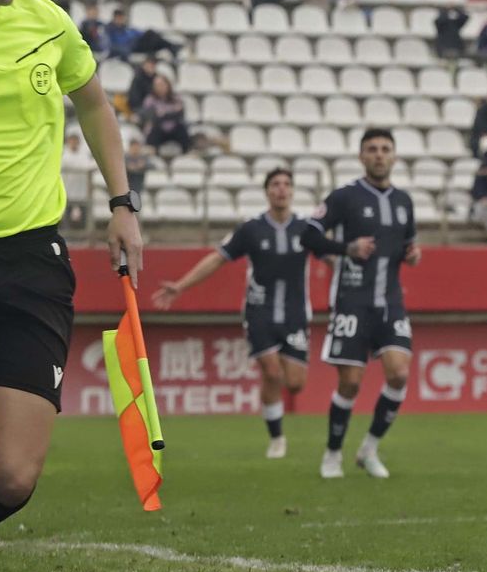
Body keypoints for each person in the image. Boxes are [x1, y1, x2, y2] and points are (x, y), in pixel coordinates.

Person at [0, 0, 143, 531]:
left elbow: (94, 105)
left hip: (29, 261)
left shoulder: (48, 22)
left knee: (13, 476)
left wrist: (122, 203)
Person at [152, 168, 370, 458]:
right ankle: (277, 438)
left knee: (294, 383)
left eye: (286, 185)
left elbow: (331, 258)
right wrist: (180, 286)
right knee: (271, 372)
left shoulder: (306, 230)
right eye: (276, 184)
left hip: (295, 315)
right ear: (267, 191)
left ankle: (276, 416)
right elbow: (218, 258)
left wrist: (357, 279)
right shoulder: (251, 229)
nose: (281, 189)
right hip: (260, 312)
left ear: (292, 192)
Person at [309, 128, 422, 480]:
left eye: (385, 149)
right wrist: (347, 249)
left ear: (394, 157)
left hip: (390, 302)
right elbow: (309, 234)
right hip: (351, 301)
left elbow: (407, 245)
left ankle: (369, 448)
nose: (379, 154)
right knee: (351, 384)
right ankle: (331, 454)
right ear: (361, 156)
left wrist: (413, 254)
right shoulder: (345, 197)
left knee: (400, 374)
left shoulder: (404, 201)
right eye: (372, 149)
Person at [139, 74, 192, 155]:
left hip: (173, 129)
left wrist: (164, 114)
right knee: (153, 130)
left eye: (162, 85)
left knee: (182, 129)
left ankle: (187, 153)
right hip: (158, 130)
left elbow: (180, 114)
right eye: (157, 85)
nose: (160, 87)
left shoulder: (176, 98)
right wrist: (171, 113)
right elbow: (152, 117)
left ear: (167, 85)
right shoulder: (150, 99)